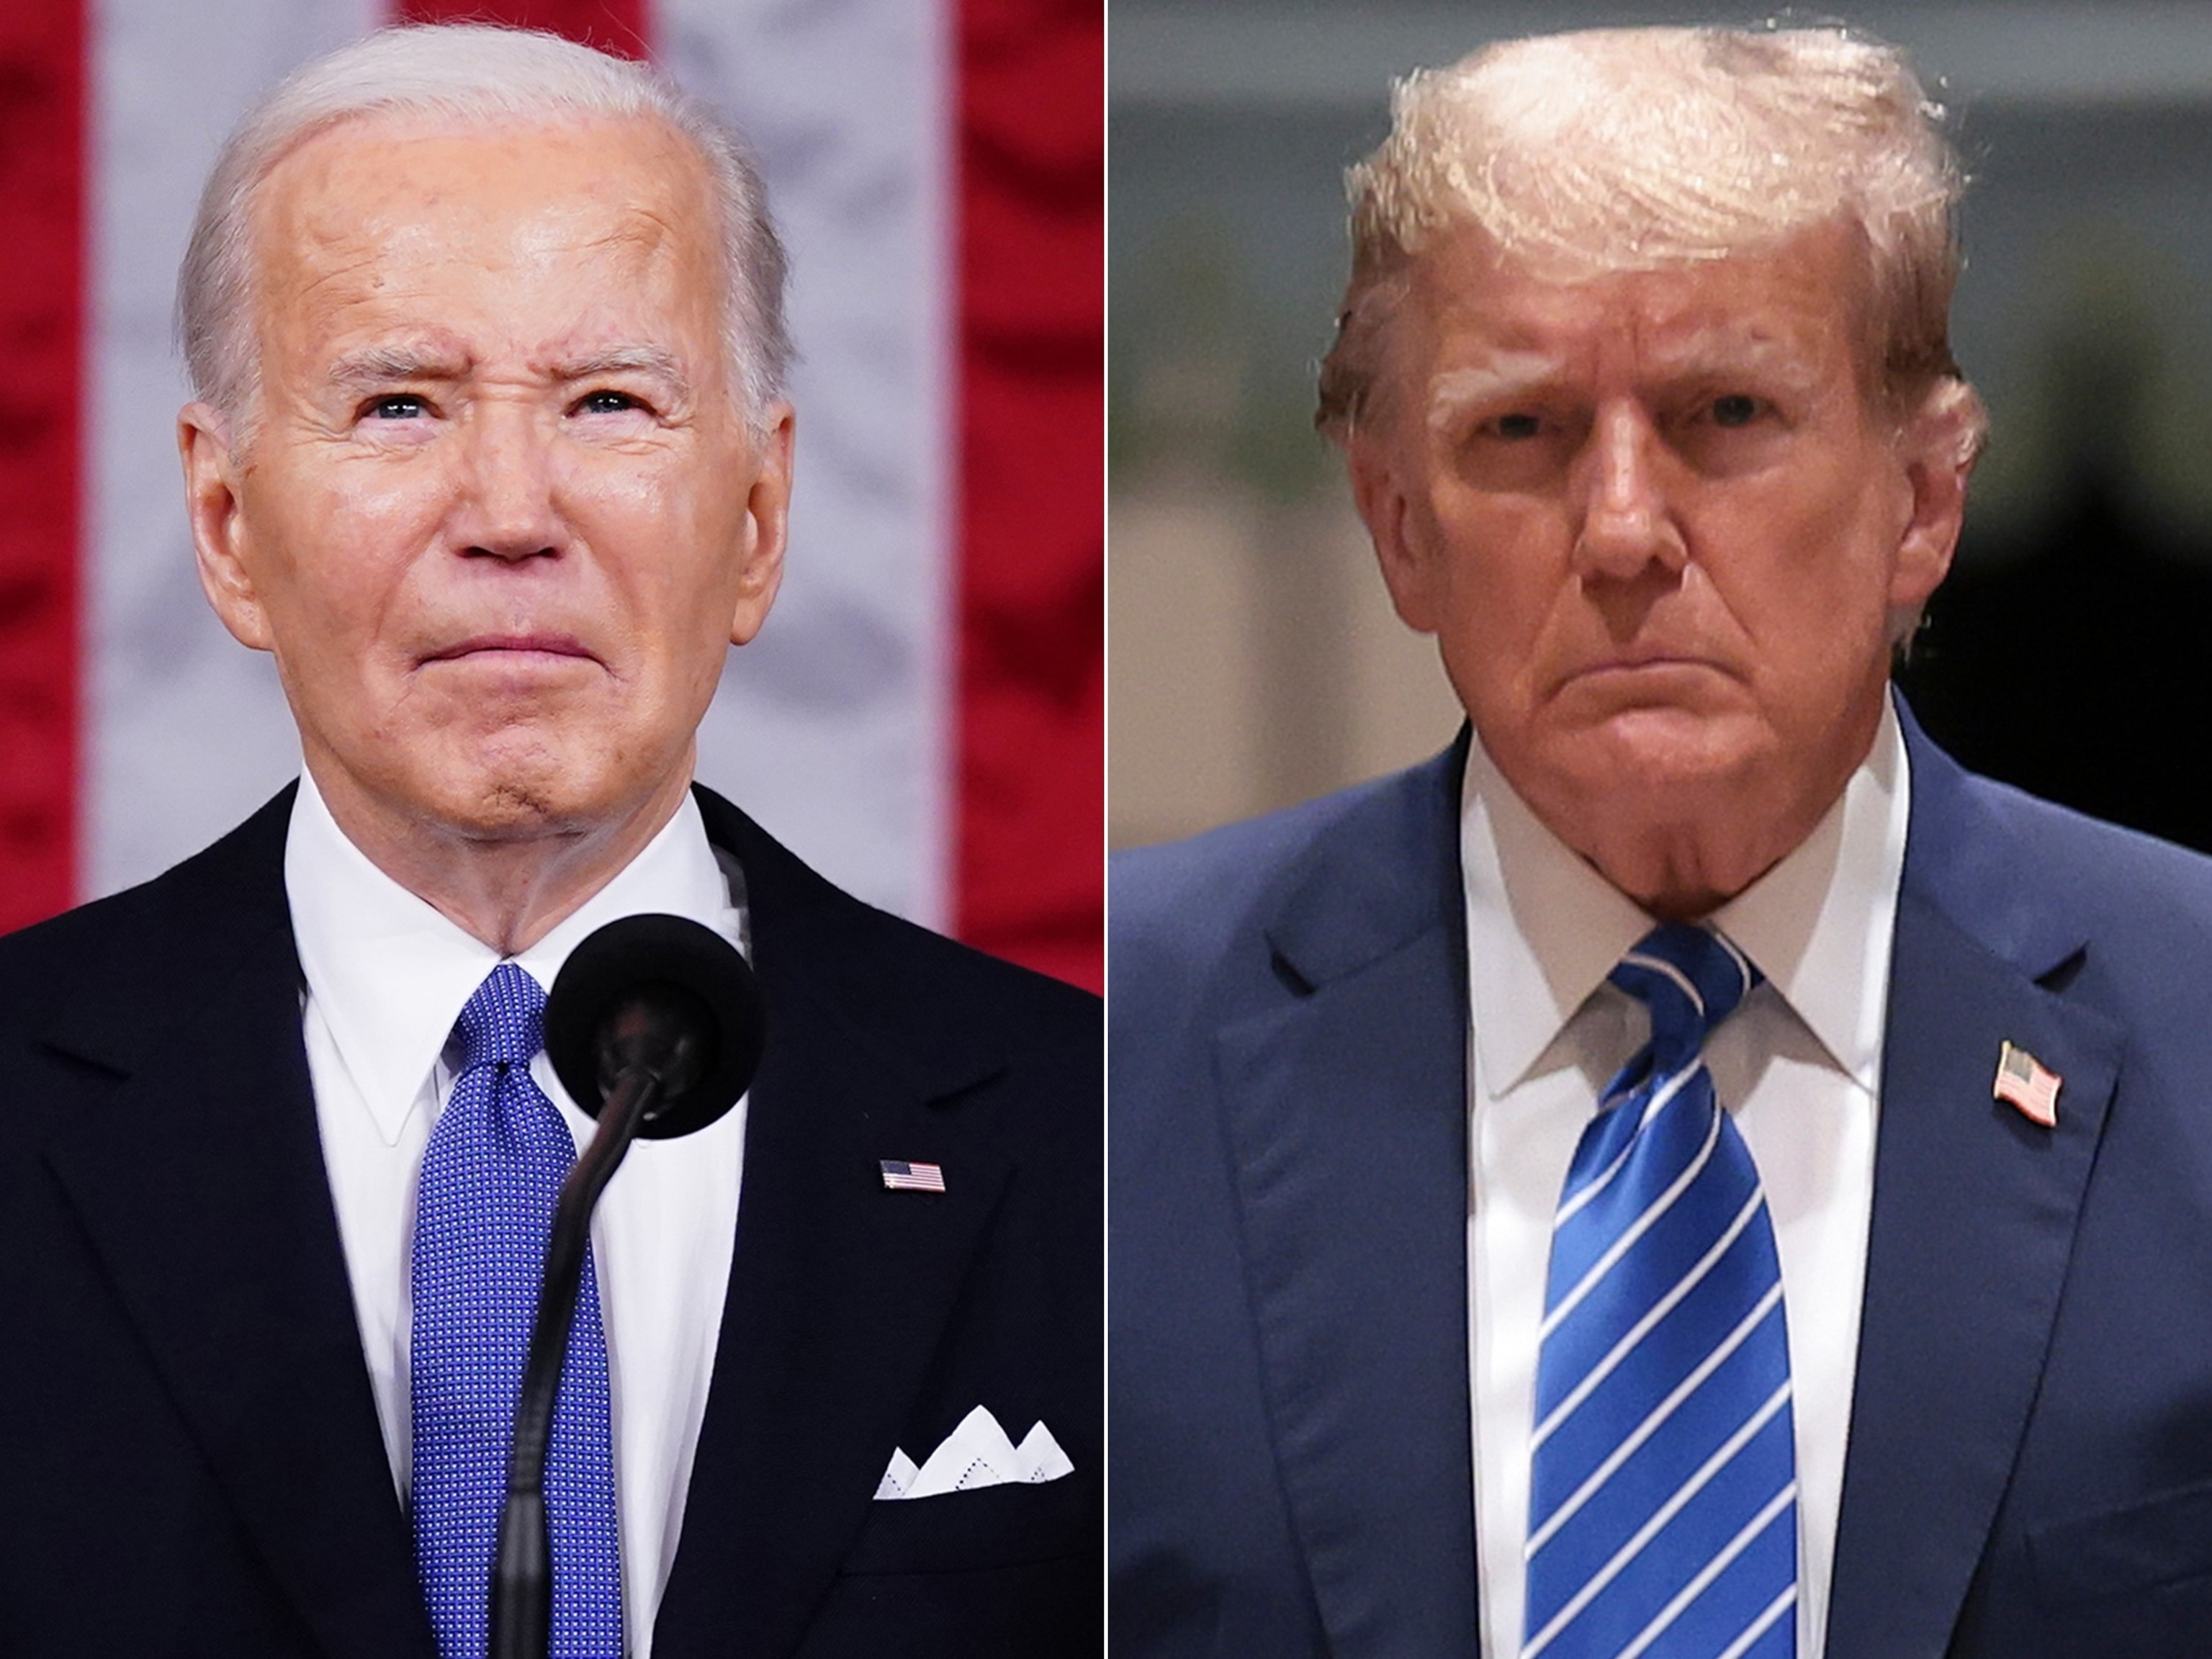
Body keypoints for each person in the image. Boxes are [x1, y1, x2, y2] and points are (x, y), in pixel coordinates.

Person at [1112, 24, 2212, 1659]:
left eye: (1726, 412)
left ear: (1924, 497)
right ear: (1398, 524)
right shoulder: (1096, 1039)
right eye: (1523, 432)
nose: (1623, 529)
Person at [0, 24, 1097, 1659]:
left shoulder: (1085, 1125)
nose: (511, 511)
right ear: (227, 527)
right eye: (397, 404)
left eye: (606, 401)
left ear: (757, 519)